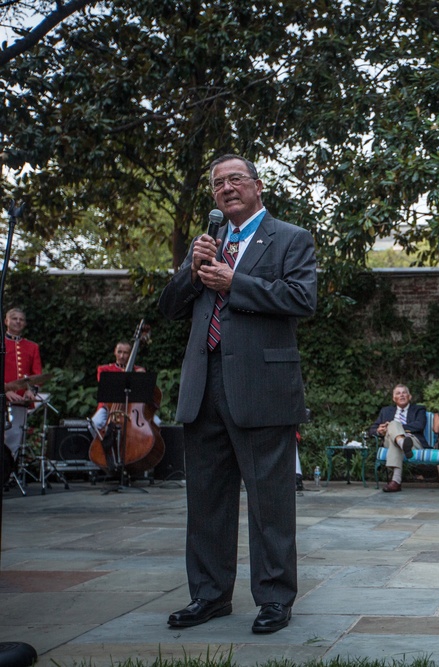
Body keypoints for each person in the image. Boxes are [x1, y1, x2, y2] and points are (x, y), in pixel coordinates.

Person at [158, 153, 317, 634]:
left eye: (235, 180)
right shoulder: (206, 242)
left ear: (256, 186)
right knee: (206, 501)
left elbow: (302, 299)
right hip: (203, 386)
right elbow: (169, 308)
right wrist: (192, 271)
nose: (226, 188)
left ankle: (274, 599)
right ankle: (209, 596)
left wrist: (236, 281)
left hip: (262, 387)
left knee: (270, 502)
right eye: (218, 184)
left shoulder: (291, 238)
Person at [368, 384, 429, 492]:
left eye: (404, 392)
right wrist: (378, 430)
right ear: (394, 398)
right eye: (398, 393)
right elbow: (371, 429)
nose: (401, 395)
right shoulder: (386, 411)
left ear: (409, 396)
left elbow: (419, 425)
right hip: (393, 441)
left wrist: (392, 427)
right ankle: (402, 442)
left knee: (394, 434)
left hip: (412, 440)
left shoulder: (419, 409)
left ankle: (396, 481)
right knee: (395, 431)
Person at [4, 308, 42, 475]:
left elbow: (37, 374)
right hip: (2, 398)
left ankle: (9, 473)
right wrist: (4, 391)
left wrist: (30, 391)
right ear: (6, 321)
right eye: (14, 318)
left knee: (15, 437)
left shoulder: (32, 347)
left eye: (21, 319)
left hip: (20, 400)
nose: (18, 321)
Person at [91, 340, 146, 431]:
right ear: (115, 352)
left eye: (125, 353)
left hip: (132, 409)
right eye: (119, 352)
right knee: (95, 423)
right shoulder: (104, 369)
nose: (122, 356)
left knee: (156, 422)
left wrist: (140, 376)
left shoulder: (138, 370)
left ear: (130, 354)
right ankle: (101, 444)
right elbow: (105, 385)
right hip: (109, 408)